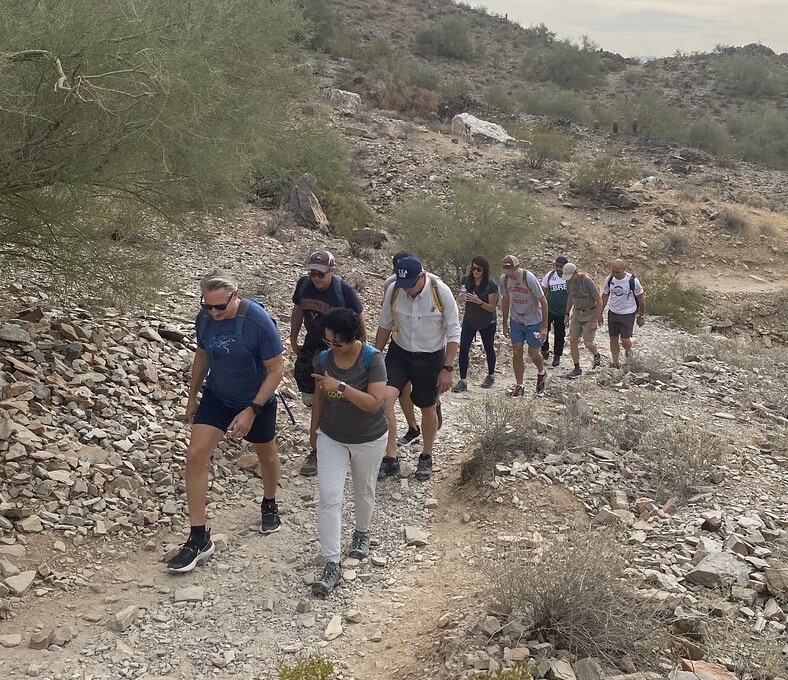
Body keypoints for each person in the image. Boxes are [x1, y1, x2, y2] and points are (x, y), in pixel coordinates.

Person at [168, 270, 284, 573]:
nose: (214, 313)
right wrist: (192, 396)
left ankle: (269, 501)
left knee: (266, 455)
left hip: (255, 399)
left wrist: (252, 410)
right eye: (207, 306)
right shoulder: (204, 319)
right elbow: (202, 355)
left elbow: (276, 371)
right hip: (218, 396)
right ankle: (197, 537)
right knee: (195, 456)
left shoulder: (257, 321)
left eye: (220, 306)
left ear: (236, 296)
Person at [309, 308, 388, 596]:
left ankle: (362, 532)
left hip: (369, 437)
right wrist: (314, 432)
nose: (333, 348)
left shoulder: (372, 359)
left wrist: (341, 386)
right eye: (328, 342)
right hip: (332, 436)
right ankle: (332, 562)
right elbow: (319, 396)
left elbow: (374, 403)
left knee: (363, 490)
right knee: (329, 497)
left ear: (353, 337)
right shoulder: (323, 358)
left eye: (338, 343)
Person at [375, 256, 460, 481]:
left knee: (427, 407)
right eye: (403, 285)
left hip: (430, 356)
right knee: (384, 401)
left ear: (422, 276)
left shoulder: (440, 292)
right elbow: (385, 325)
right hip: (399, 353)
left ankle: (426, 455)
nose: (407, 290)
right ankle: (391, 458)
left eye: (411, 284)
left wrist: (448, 368)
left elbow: (453, 331)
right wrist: (373, 357)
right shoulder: (394, 290)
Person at [290, 249, 365, 477]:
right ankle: (325, 430)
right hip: (313, 344)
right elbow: (298, 310)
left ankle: (322, 448)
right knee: (308, 390)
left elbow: (359, 319)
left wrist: (362, 350)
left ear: (332, 271)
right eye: (312, 273)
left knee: (332, 392)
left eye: (321, 274)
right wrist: (293, 337)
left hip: (338, 347)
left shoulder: (343, 291)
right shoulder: (304, 285)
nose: (316, 278)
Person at [383, 251, 422, 445]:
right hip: (399, 345)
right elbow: (387, 318)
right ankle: (413, 428)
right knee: (400, 392)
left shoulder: (433, 287)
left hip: (423, 349)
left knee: (414, 393)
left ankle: (431, 405)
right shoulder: (391, 285)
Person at [499, 255, 549, 396]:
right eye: (506, 271)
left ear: (517, 267)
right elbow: (505, 299)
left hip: (534, 320)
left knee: (533, 353)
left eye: (511, 270)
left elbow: (544, 302)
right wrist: (504, 322)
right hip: (516, 319)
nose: (509, 274)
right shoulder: (504, 280)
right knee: (516, 350)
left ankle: (541, 372)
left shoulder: (529, 279)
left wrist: (544, 327)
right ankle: (519, 385)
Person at [452, 256, 499, 392]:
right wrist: (460, 298)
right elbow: (461, 298)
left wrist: (478, 301)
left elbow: (491, 307)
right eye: (473, 268)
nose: (475, 271)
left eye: (478, 269)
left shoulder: (491, 285)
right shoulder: (466, 280)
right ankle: (463, 380)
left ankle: (490, 374)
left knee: (488, 347)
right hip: (470, 319)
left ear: (484, 270)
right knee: (464, 348)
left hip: (487, 321)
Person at [600, 259, 646, 368]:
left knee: (625, 339)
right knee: (613, 338)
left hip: (628, 313)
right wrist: (600, 313)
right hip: (613, 312)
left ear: (624, 269)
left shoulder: (632, 281)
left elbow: (641, 299)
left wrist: (641, 316)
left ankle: (629, 351)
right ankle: (615, 362)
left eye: (618, 272)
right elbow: (605, 296)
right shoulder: (609, 279)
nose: (615, 274)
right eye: (613, 272)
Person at [562, 262, 603, 379]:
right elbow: (570, 297)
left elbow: (599, 301)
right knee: (573, 339)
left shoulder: (586, 281)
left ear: (576, 272)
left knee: (587, 342)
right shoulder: (569, 282)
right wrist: (566, 314)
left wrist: (596, 319)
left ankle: (596, 355)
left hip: (590, 313)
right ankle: (576, 367)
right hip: (577, 313)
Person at [541, 256, 569, 368]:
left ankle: (557, 355)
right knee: (544, 329)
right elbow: (543, 289)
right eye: (556, 266)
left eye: (560, 267)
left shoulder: (569, 278)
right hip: (549, 309)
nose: (558, 268)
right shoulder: (550, 276)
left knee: (560, 334)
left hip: (562, 312)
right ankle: (544, 349)